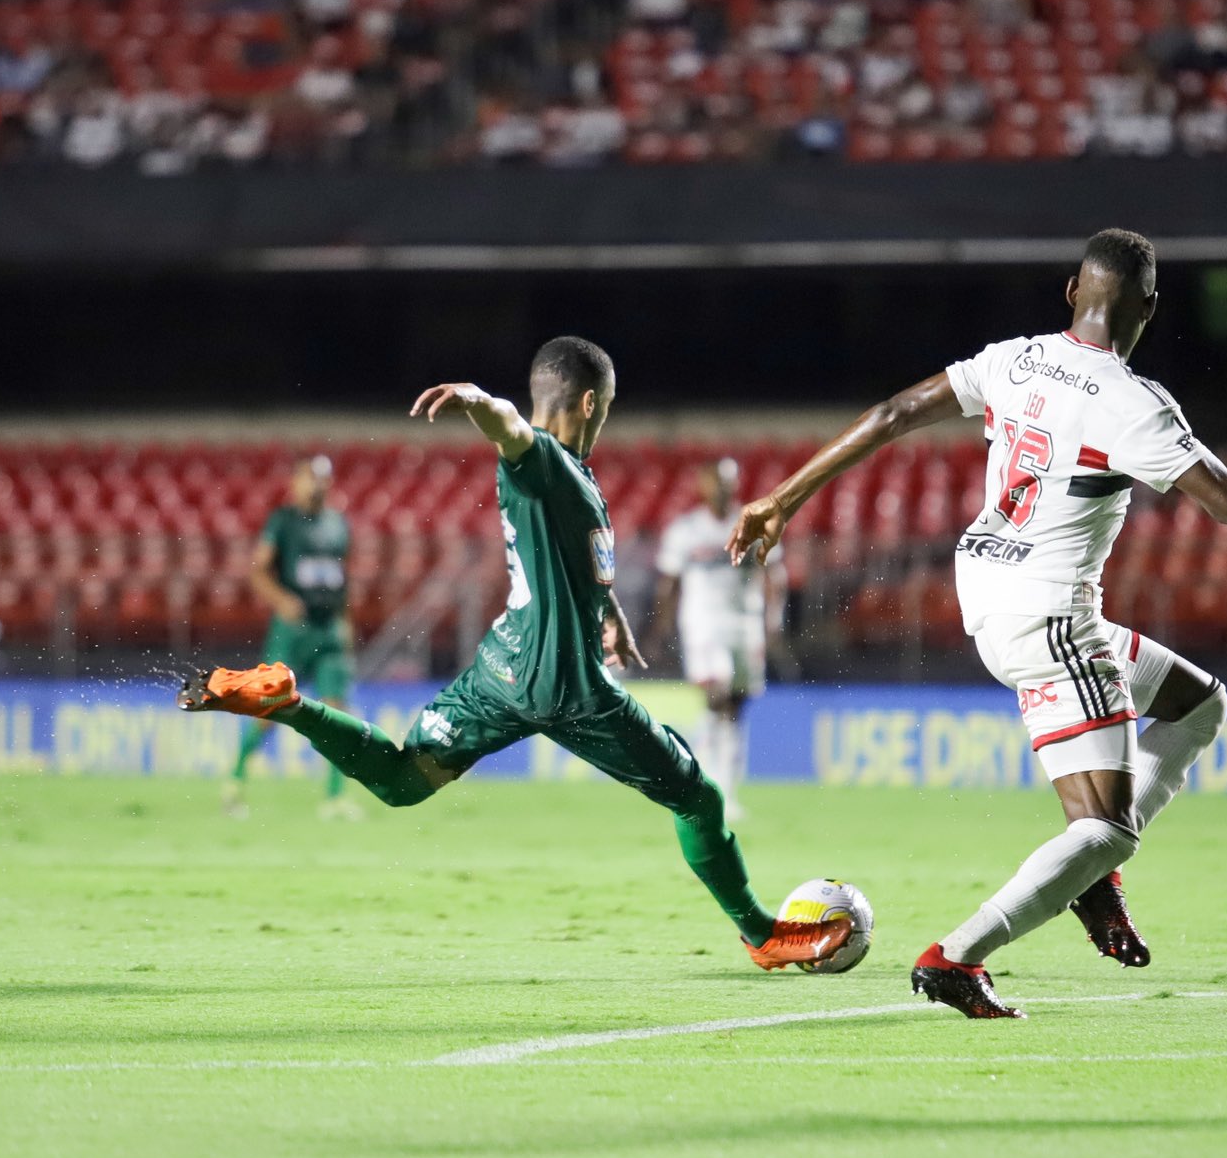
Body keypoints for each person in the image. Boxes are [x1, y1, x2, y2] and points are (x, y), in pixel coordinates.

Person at [729, 230, 1227, 1017]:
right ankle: (957, 957)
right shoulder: (1135, 403)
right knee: (1107, 828)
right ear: (1149, 306)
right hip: (1049, 615)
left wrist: (780, 500)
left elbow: (897, 412)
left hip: (991, 591)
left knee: (1198, 703)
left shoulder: (1015, 357)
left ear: (1072, 291)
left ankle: (1089, 879)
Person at [177, 337, 851, 972]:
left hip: (502, 667)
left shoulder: (571, 482)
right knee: (698, 799)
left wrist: (607, 612)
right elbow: (512, 433)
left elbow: (565, 561)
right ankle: (761, 934)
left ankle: (288, 704)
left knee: (403, 781)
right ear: (592, 402)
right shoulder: (548, 463)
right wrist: (478, 400)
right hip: (563, 682)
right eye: (608, 406)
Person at [647, 458, 782, 823]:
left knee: (735, 707)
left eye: (729, 481)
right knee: (717, 693)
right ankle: (708, 786)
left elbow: (774, 575)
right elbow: (669, 583)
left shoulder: (753, 526)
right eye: (717, 482)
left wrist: (773, 620)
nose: (723, 488)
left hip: (745, 624)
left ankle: (727, 790)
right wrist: (659, 630)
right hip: (703, 624)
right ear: (704, 485)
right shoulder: (686, 530)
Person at [227, 455, 360, 820]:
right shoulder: (282, 521)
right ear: (296, 481)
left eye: (323, 479)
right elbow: (258, 569)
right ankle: (235, 782)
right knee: (269, 709)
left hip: (329, 626)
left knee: (337, 713)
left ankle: (334, 798)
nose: (317, 485)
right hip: (293, 630)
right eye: (310, 478)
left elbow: (342, 578)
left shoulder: (339, 525)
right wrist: (280, 599)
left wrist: (346, 621)